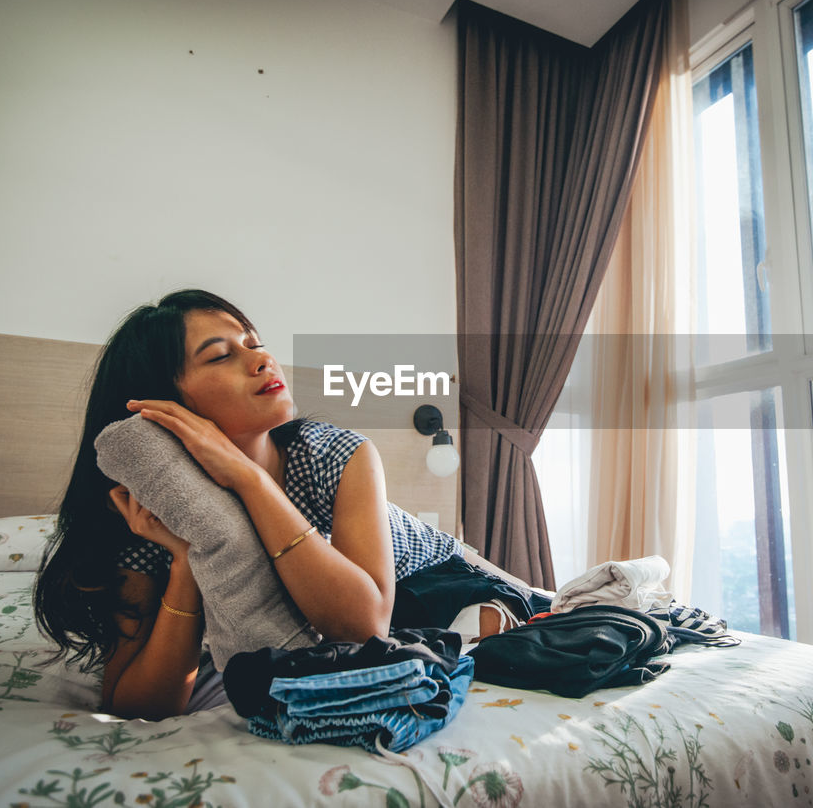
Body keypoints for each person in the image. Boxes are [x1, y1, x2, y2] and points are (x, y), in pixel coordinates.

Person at [35, 289, 529, 721]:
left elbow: (365, 627)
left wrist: (249, 479)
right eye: (218, 356)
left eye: (254, 343)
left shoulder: (335, 455)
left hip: (437, 580)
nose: (261, 360)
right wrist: (188, 562)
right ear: (166, 405)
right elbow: (133, 706)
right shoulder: (155, 508)